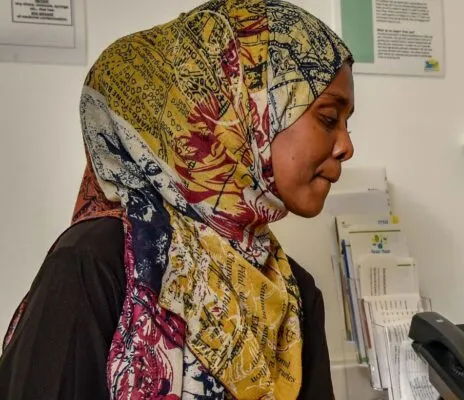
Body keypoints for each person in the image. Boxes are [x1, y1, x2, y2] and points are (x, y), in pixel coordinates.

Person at [0, 0, 355, 398]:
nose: (346, 146)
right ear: (239, 111)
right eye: (328, 118)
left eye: (347, 123)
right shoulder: (96, 263)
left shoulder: (295, 294)